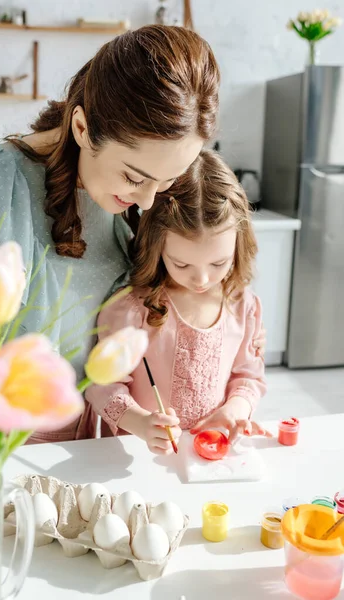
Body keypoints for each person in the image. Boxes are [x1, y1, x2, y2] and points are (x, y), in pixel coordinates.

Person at [0, 26, 264, 443]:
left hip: (82, 445)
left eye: (166, 181)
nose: (148, 202)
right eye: (135, 176)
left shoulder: (125, 200)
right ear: (82, 127)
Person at [86, 150, 271, 454]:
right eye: (182, 265)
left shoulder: (243, 306)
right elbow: (100, 386)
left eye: (218, 263)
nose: (201, 279)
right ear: (157, 247)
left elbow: (248, 376)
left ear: (238, 247)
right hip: (136, 457)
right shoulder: (132, 310)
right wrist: (141, 423)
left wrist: (235, 411)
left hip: (209, 458)